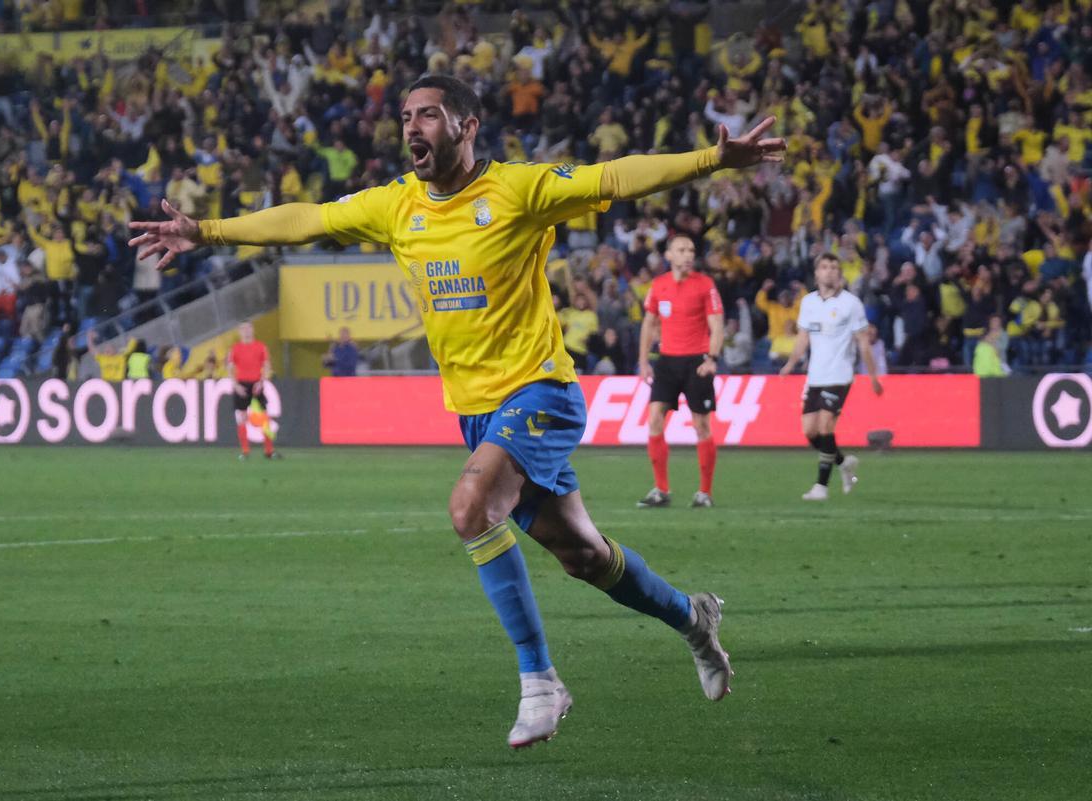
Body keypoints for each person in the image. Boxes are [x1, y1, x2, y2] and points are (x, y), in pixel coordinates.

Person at [130, 75, 784, 748]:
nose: (413, 127)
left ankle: (540, 680)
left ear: (467, 126)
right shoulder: (395, 205)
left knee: (471, 506)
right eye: (406, 116)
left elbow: (613, 177)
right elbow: (307, 217)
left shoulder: (519, 191)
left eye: (430, 115)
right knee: (584, 556)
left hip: (540, 391)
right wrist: (204, 230)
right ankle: (693, 617)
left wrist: (711, 159)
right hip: (477, 412)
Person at [780, 253, 883, 501]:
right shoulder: (808, 303)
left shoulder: (851, 304)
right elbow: (803, 338)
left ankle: (821, 487)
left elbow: (863, 343)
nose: (830, 272)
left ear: (840, 273)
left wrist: (873, 376)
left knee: (826, 425)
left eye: (834, 268)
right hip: (815, 376)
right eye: (824, 267)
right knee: (810, 432)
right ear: (816, 273)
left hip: (840, 374)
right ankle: (844, 462)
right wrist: (791, 363)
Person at [635, 235, 724, 509]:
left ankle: (704, 492)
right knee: (654, 420)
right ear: (669, 255)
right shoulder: (659, 285)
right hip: (666, 361)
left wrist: (712, 357)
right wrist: (643, 360)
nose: (688, 254)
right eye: (682, 250)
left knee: (701, 425)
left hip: (697, 361)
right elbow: (649, 323)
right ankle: (661, 490)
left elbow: (718, 325)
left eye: (691, 250)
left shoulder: (705, 284)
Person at [228, 321, 278, 460]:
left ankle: (269, 451)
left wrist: (261, 382)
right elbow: (230, 368)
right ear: (239, 331)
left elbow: (267, 365)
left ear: (253, 330)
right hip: (242, 385)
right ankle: (245, 451)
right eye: (243, 328)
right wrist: (236, 385)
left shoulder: (261, 347)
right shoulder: (235, 348)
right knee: (242, 418)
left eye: (248, 328)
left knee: (264, 418)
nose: (246, 331)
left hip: (256, 384)